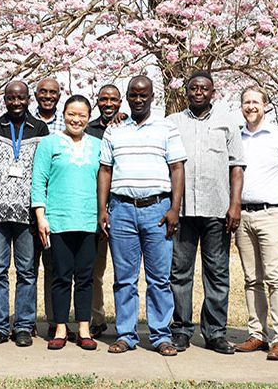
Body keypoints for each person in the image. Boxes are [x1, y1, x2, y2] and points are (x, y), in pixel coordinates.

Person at [98, 75, 186, 356]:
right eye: (133, 95)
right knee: (124, 278)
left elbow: (177, 169)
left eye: (143, 95)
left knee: (159, 278)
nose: (138, 99)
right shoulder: (114, 130)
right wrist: (103, 209)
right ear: (127, 97)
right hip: (121, 209)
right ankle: (126, 334)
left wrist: (174, 208)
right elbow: (105, 171)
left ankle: (160, 335)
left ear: (152, 97)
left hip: (158, 210)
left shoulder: (166, 128)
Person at [167, 71, 245, 354]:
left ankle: (215, 333)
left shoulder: (228, 123)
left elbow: (237, 166)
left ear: (213, 92)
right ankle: (181, 330)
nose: (199, 92)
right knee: (179, 272)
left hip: (217, 209)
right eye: (194, 88)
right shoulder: (172, 123)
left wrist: (234, 204)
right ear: (187, 92)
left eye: (205, 88)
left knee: (217, 273)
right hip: (183, 210)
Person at [0, 81, 49, 347]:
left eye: (21, 98)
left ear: (29, 99)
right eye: (10, 98)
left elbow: (43, 171)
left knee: (27, 271)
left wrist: (41, 210)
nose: (16, 102)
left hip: (27, 214)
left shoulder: (40, 129)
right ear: (3, 100)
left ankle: (24, 327)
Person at [232, 86, 278, 361]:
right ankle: (257, 333)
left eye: (255, 102)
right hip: (243, 216)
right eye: (246, 102)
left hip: (273, 214)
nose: (251, 106)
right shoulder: (236, 137)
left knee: (275, 277)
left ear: (266, 105)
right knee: (252, 279)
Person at [32, 95, 101, 350]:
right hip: (58, 221)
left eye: (82, 115)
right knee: (61, 276)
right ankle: (60, 327)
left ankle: (84, 328)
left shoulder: (97, 145)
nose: (77, 119)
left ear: (89, 117)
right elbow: (38, 181)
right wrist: (41, 216)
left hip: (89, 221)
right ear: (64, 114)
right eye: (72, 114)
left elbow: (105, 181)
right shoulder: (49, 143)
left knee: (85, 277)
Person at [84, 84, 123, 338]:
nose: (108, 104)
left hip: (121, 208)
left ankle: (126, 323)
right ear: (97, 102)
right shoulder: (87, 130)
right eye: (103, 99)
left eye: (113, 100)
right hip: (94, 209)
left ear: (121, 103)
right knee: (93, 270)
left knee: (124, 272)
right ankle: (96, 319)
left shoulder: (128, 126)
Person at [31, 77, 63, 336]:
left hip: (57, 205)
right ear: (36, 94)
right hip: (28, 204)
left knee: (54, 267)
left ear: (59, 95)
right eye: (43, 92)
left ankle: (55, 321)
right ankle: (26, 322)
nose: (48, 96)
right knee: (28, 267)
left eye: (53, 92)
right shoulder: (26, 121)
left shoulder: (69, 122)